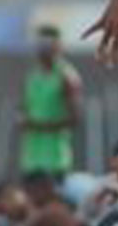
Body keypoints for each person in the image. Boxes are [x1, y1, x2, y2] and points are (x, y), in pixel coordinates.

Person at [19, 25, 82, 179]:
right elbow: (26, 108)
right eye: (40, 44)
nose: (42, 49)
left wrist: (40, 126)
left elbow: (75, 118)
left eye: (47, 44)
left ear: (58, 46)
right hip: (31, 159)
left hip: (55, 161)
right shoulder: (33, 76)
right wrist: (22, 118)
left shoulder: (66, 76)